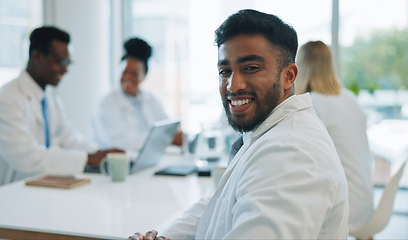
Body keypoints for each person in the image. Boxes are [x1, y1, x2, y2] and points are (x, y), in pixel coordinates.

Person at [128, 9, 348, 239]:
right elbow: (217, 204)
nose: (233, 85)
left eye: (250, 68)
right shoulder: (269, 132)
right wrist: (167, 236)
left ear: (289, 76)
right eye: (225, 71)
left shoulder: (290, 153)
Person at [0, 26, 121, 190]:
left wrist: (103, 154)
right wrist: (87, 159)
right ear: (37, 57)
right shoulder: (6, 100)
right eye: (61, 62)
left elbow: (68, 138)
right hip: (7, 196)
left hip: (42, 188)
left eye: (68, 63)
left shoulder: (50, 97)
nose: (66, 69)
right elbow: (28, 158)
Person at [295, 40, 374, 233]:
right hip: (366, 206)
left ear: (300, 67)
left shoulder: (310, 104)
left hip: (342, 210)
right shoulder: (350, 99)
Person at [92, 38, 182, 152]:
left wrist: (175, 135)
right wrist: (165, 139)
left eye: (134, 74)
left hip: (148, 159)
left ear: (144, 76)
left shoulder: (150, 99)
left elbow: (167, 128)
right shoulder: (106, 103)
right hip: (119, 163)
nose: (128, 77)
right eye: (124, 72)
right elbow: (118, 141)